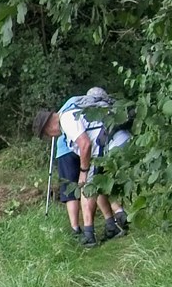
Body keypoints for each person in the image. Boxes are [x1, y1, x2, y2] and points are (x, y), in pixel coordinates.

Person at [46, 89, 129, 246]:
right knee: (101, 185)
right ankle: (113, 224)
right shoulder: (80, 107)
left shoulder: (67, 119)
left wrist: (83, 172)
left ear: (49, 126)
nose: (51, 137)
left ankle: (88, 236)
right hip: (120, 140)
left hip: (108, 147)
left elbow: (85, 144)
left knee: (87, 188)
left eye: (47, 133)